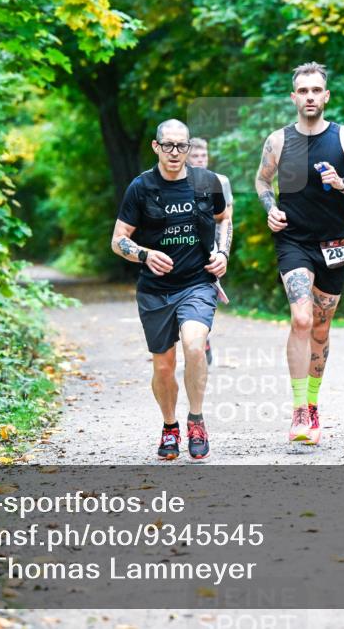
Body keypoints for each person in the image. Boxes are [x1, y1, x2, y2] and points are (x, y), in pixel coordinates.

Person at [254, 62, 344, 445]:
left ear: (326, 96)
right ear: (294, 97)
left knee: (321, 330)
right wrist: (270, 207)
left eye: (315, 90)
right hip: (293, 242)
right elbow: (261, 179)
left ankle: (313, 404)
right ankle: (298, 412)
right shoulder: (277, 140)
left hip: (335, 246)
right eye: (302, 91)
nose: (309, 96)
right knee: (302, 319)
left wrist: (341, 184)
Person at [111, 120, 231, 460]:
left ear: (189, 146)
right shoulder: (141, 188)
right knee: (163, 367)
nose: (175, 152)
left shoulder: (207, 183)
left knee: (195, 345)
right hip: (155, 290)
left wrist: (222, 252)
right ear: (156, 147)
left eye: (182, 146)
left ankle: (196, 420)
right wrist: (145, 254)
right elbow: (118, 240)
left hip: (197, 283)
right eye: (169, 146)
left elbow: (224, 218)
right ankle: (169, 426)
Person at [187, 137, 234, 366]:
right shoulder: (178, 181)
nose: (200, 160)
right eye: (195, 156)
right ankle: (197, 340)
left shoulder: (220, 181)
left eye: (203, 156)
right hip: (185, 247)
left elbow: (227, 218)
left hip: (212, 249)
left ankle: (201, 338)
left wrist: (223, 252)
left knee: (207, 294)